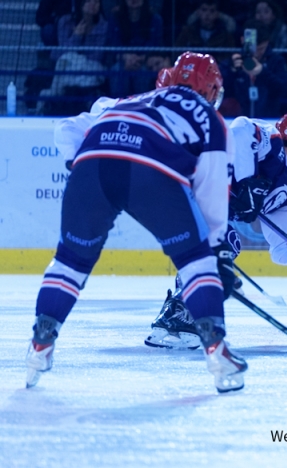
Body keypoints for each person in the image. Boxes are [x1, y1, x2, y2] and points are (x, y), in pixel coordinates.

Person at [25, 52, 249, 394]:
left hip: (92, 165)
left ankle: (40, 344)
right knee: (196, 261)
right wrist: (215, 254)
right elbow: (212, 193)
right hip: (151, 172)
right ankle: (218, 353)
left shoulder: (131, 100)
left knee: (70, 262)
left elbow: (67, 129)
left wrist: (83, 167)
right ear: (212, 90)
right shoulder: (212, 119)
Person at [146, 111, 287, 349]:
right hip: (179, 185)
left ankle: (178, 310)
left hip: (191, 209)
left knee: (224, 241)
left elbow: (285, 247)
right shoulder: (271, 143)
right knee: (224, 241)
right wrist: (246, 181)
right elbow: (241, 127)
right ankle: (182, 308)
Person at [106, 0, 164, 98]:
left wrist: (141, 58)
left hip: (144, 61)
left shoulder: (155, 19)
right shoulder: (115, 18)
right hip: (122, 60)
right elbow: (114, 42)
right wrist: (126, 57)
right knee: (117, 71)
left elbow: (155, 42)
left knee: (142, 74)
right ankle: (118, 105)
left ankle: (142, 106)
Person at [221, 23, 287, 118]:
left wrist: (263, 73)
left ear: (267, 43)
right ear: (242, 40)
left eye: (261, 49)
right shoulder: (233, 62)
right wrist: (232, 71)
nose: (257, 53)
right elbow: (221, 91)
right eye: (254, 49)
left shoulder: (276, 61)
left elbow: (283, 90)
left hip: (268, 119)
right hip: (237, 120)